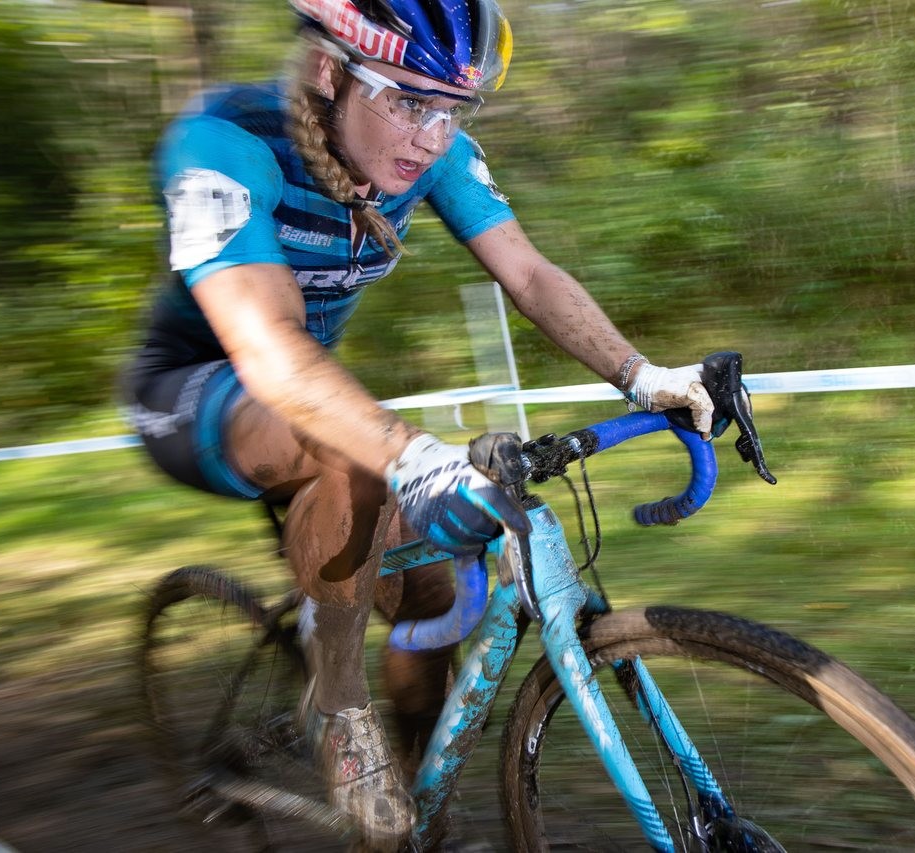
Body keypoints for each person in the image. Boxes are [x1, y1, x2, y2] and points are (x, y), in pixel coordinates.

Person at [124, 0, 716, 848]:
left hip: (302, 386)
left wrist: (642, 374)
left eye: (453, 110)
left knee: (432, 587)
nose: (432, 136)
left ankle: (410, 820)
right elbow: (270, 350)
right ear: (329, 72)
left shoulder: (422, 152)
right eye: (409, 100)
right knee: (355, 454)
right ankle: (335, 706)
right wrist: (414, 457)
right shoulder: (222, 143)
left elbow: (530, 271)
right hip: (193, 388)